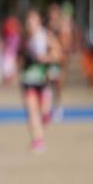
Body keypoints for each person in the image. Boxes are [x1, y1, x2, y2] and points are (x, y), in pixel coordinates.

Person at [19, 9, 62, 153]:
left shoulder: (46, 35)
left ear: (38, 22)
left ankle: (45, 118)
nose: (30, 24)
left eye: (32, 21)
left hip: (44, 79)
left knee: (43, 114)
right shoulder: (24, 38)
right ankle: (38, 141)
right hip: (29, 79)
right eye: (28, 21)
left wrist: (46, 58)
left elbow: (58, 54)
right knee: (32, 111)